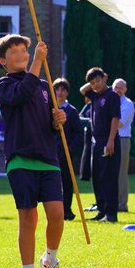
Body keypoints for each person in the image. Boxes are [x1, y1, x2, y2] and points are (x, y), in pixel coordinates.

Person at [0, 35, 67, 268]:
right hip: (20, 159)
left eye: (24, 50)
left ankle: (49, 259)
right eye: (14, 52)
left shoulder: (45, 86)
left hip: (48, 158)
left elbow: (50, 123)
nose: (22, 54)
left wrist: (58, 119)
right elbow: (22, 94)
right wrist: (37, 62)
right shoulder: (4, 85)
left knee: (57, 215)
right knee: (28, 218)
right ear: (3, 60)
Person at [79, 68, 121, 223]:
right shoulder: (95, 95)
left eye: (98, 81)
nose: (95, 85)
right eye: (92, 82)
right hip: (95, 143)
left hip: (108, 141)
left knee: (109, 177)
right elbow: (82, 90)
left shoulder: (112, 96)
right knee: (97, 177)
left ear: (105, 78)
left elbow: (115, 119)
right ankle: (101, 211)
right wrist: (93, 84)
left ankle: (111, 214)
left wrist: (110, 141)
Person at [53, 79, 84, 222]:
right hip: (51, 153)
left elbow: (78, 133)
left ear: (67, 92)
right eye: (57, 89)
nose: (60, 92)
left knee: (67, 182)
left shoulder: (71, 111)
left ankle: (67, 210)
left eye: (63, 90)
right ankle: (55, 211)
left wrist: (70, 148)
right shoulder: (49, 109)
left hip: (66, 153)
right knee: (52, 182)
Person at [113, 78, 135, 213]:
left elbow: (119, 124)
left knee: (121, 173)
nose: (118, 90)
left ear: (125, 89)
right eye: (116, 87)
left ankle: (122, 204)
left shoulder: (127, 104)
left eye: (120, 88)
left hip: (122, 140)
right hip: (111, 138)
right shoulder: (112, 102)